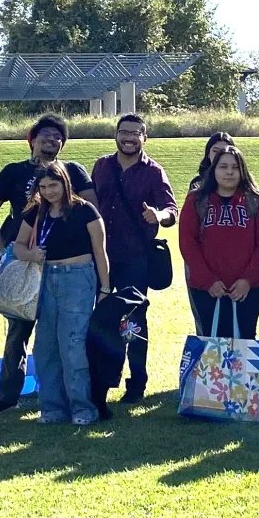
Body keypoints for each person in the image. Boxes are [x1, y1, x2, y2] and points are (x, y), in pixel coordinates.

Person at [0, 115, 98, 414]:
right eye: (45, 135)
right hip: (25, 265)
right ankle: (7, 396)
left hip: (66, 269)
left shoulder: (73, 171)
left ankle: (70, 400)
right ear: (31, 139)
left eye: (57, 136)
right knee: (18, 332)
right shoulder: (13, 171)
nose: (51, 140)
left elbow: (91, 210)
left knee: (65, 337)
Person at [2, 161, 110, 425]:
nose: (49, 191)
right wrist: (31, 254)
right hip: (45, 279)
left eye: (54, 185)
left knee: (73, 344)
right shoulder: (36, 212)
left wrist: (105, 288)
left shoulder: (85, 210)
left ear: (65, 182)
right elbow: (17, 247)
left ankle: (83, 408)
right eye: (43, 187)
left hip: (78, 279)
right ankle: (52, 408)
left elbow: (100, 251)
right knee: (45, 346)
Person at [90, 113, 178, 404]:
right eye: (124, 132)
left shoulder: (153, 171)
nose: (129, 138)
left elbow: (171, 209)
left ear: (144, 137)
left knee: (135, 321)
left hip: (135, 259)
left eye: (135, 133)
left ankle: (136, 384)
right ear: (116, 134)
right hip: (100, 256)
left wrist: (159, 215)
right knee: (96, 317)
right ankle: (97, 380)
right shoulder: (102, 166)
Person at [180, 145, 259, 346]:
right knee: (211, 342)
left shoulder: (258, 201)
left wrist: (248, 280)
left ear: (243, 171)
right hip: (206, 288)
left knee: (243, 342)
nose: (229, 172)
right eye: (223, 166)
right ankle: (212, 380)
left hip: (245, 289)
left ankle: (241, 380)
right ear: (213, 170)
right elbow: (188, 242)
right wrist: (208, 280)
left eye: (235, 167)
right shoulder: (196, 199)